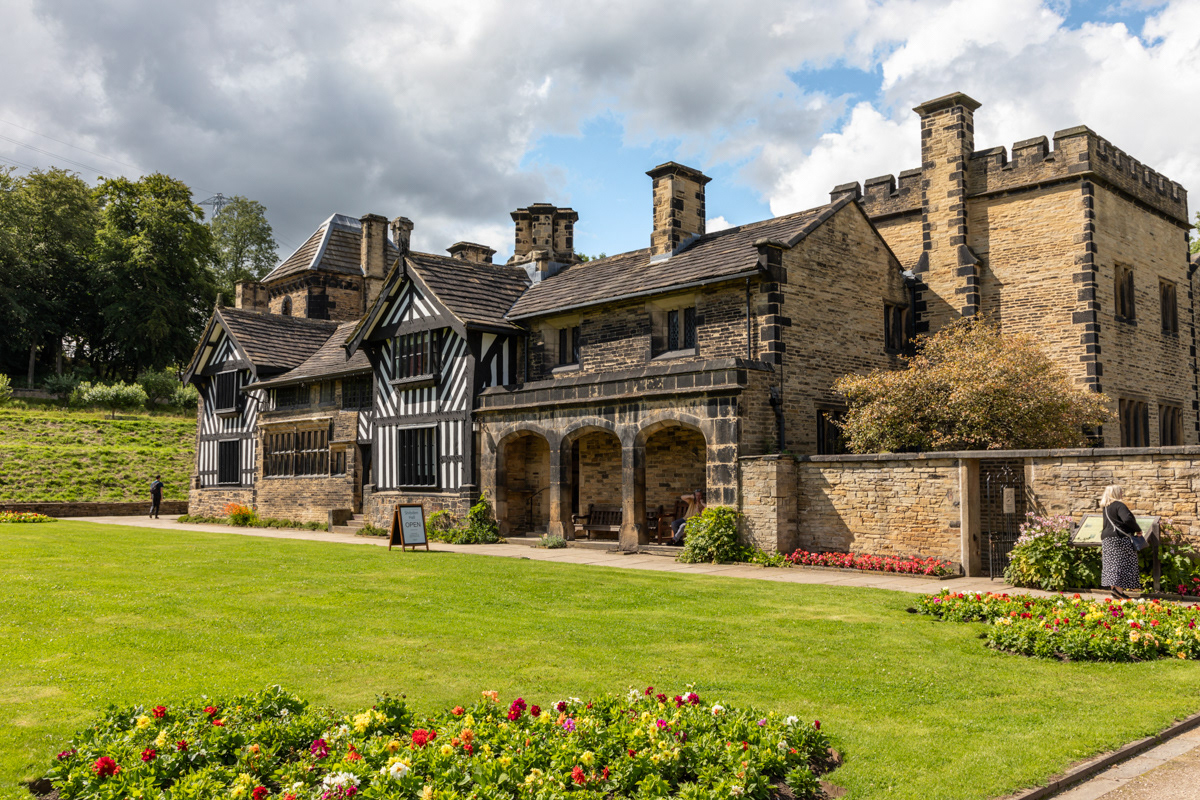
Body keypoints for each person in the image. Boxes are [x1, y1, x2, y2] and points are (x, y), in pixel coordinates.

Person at [1100, 484, 1141, 598]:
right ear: (1116, 493)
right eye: (1121, 491)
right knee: (1121, 563)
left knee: (1111, 564)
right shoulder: (1119, 505)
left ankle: (1114, 589)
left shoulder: (1106, 508)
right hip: (1119, 538)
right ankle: (1119, 591)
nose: (1122, 493)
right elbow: (1127, 519)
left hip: (1107, 538)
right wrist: (1137, 529)